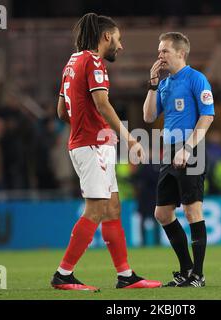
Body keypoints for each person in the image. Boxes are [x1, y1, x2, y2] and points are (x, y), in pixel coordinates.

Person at [51, 13, 161, 291]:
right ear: (106, 37)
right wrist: (129, 139)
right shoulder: (93, 60)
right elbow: (102, 103)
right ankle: (63, 274)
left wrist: (85, 125)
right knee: (97, 208)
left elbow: (62, 111)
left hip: (88, 142)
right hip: (93, 145)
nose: (120, 46)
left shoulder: (72, 61)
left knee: (112, 208)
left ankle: (125, 275)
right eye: (119, 39)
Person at [143, 32, 215, 287]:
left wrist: (188, 147)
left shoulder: (197, 79)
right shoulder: (164, 84)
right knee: (162, 213)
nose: (160, 55)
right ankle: (186, 270)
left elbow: (207, 116)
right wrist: (152, 85)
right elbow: (149, 117)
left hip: (191, 148)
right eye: (159, 51)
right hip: (168, 151)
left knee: (192, 209)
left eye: (164, 51)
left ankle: (198, 274)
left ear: (181, 53)